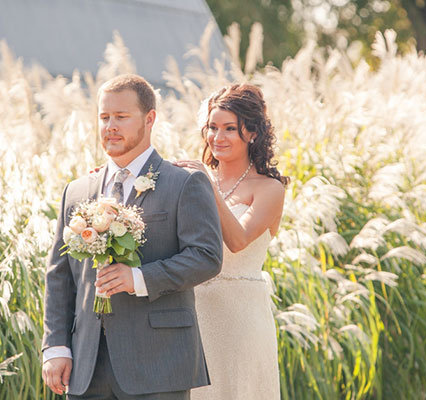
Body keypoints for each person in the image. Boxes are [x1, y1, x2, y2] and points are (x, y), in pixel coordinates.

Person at [41, 74, 223, 399]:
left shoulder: (184, 183)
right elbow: (60, 275)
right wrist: (56, 346)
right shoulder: (77, 191)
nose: (110, 126)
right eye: (104, 117)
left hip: (159, 364)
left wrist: (138, 278)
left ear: (149, 118)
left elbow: (206, 257)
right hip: (86, 365)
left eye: (121, 117)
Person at [175, 84, 288, 400]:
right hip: (191, 314)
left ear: (252, 132)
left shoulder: (269, 189)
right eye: (212, 127)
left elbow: (238, 239)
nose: (217, 137)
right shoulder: (192, 180)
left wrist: (205, 184)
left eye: (229, 129)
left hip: (241, 319)